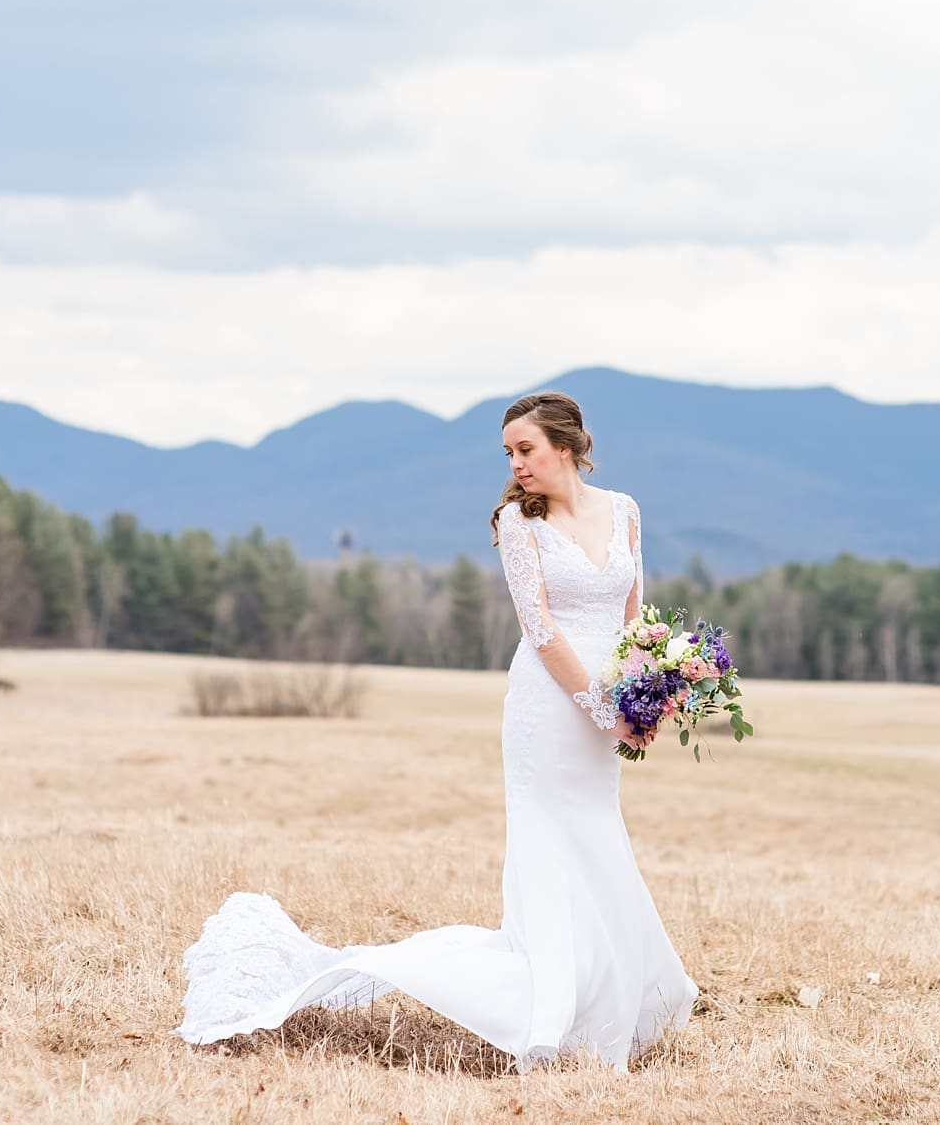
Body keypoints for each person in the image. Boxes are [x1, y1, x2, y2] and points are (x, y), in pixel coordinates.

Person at [174, 391, 699, 1070]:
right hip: (549, 705)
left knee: (598, 837)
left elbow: (632, 615)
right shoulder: (518, 521)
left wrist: (644, 697)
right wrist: (603, 708)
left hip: (609, 708)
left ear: (566, 447)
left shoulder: (624, 511)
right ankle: (552, 1010)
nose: (516, 465)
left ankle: (611, 1001)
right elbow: (539, 628)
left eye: (526, 449)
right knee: (550, 846)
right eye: (509, 453)